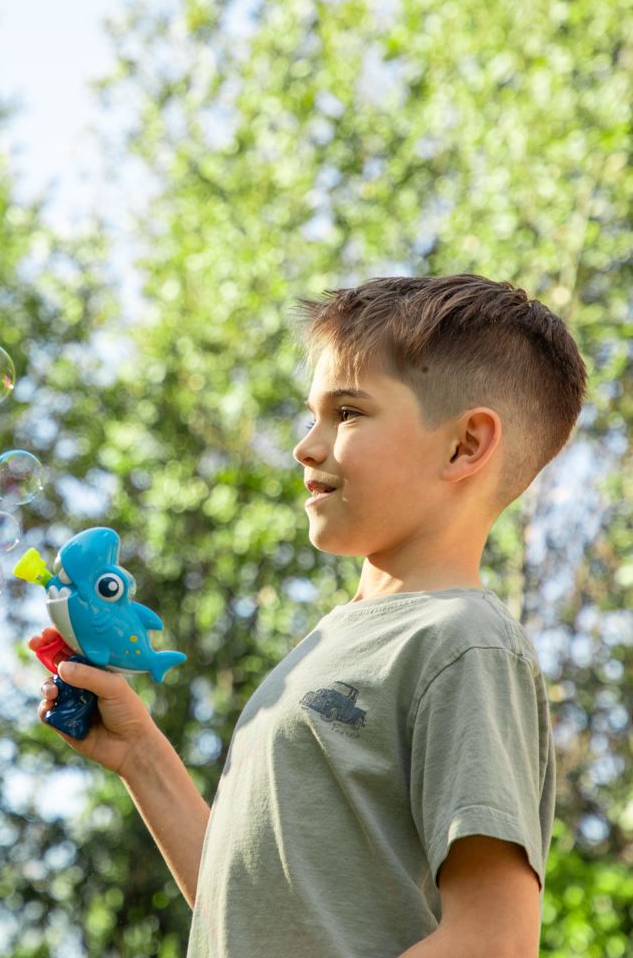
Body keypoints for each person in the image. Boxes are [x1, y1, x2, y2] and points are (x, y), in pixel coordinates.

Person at [29, 274, 586, 957]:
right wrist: (139, 754)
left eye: (347, 413)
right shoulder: (334, 641)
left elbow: (491, 941)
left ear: (465, 446)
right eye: (313, 413)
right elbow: (257, 913)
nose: (305, 445)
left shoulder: (461, 643)